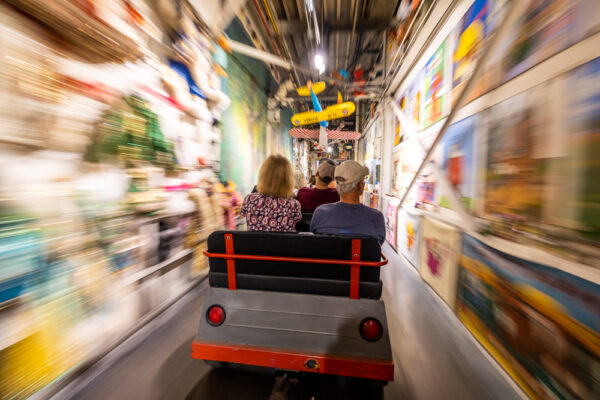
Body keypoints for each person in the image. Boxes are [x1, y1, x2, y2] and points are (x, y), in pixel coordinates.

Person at [310, 160, 385, 244]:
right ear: (360, 186)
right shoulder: (376, 218)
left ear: (337, 186)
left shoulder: (321, 213)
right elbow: (378, 246)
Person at [241, 155, 302, 232]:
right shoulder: (294, 205)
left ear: (263, 175)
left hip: (254, 243)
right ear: (288, 179)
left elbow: (243, 215)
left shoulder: (249, 200)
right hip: (283, 244)